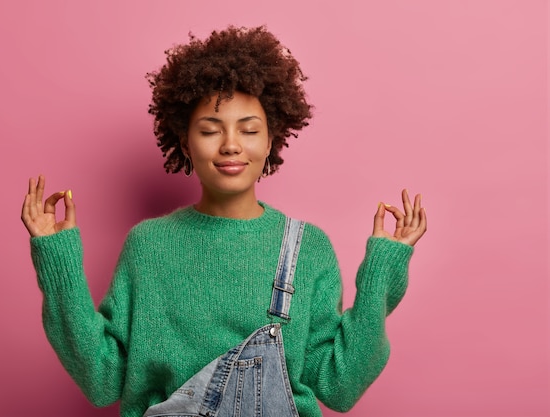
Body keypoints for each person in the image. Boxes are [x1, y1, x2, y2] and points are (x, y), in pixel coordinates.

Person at [21, 26, 427, 417]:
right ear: (184, 142)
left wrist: (381, 279)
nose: (231, 145)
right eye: (210, 130)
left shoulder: (307, 248)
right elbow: (103, 380)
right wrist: (60, 268)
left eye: (249, 130)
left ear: (270, 140)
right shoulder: (148, 246)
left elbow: (339, 386)